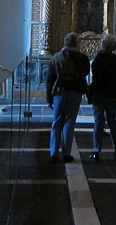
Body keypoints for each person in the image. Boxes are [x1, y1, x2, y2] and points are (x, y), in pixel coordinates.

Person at [46, 32, 90, 163]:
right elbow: (86, 72)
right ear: (77, 43)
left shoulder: (56, 57)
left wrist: (49, 97)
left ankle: (54, 152)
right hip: (75, 91)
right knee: (70, 122)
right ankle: (66, 153)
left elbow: (50, 78)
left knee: (57, 121)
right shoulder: (82, 58)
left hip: (60, 91)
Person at [88, 34, 116, 162]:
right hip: (112, 95)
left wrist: (90, 91)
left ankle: (96, 150)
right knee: (112, 122)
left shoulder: (97, 60)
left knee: (98, 122)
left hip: (99, 94)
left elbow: (96, 78)